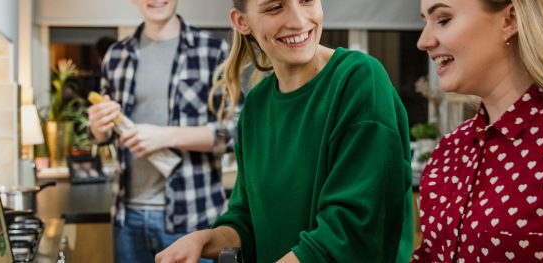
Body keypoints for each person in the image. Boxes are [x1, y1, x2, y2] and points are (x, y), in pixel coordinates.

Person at [156, 0, 415, 262]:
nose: (299, 21)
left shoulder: (359, 82)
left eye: (306, 1)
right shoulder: (256, 106)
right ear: (242, 22)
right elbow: (246, 220)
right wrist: (201, 240)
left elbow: (350, 233)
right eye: (274, 7)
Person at [413, 0, 543, 261]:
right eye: (424, 21)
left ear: (510, 19)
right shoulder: (448, 152)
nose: (423, 41)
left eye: (443, 19)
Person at [86, 0, 234, 262]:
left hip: (193, 216)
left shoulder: (212, 50)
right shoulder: (116, 55)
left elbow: (235, 131)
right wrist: (98, 128)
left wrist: (166, 136)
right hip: (126, 217)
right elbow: (106, 134)